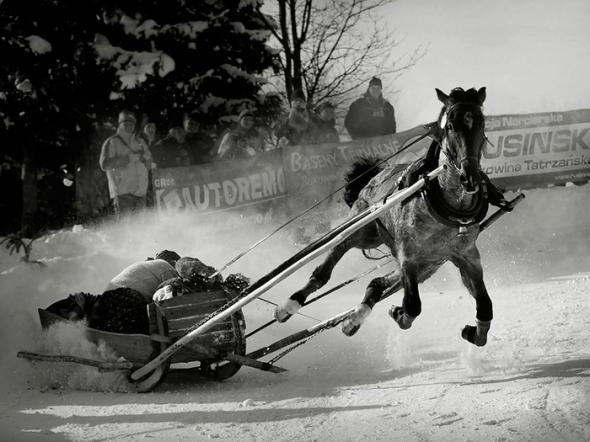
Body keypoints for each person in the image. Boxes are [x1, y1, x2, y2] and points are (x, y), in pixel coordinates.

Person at [99, 110, 152, 220]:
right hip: (123, 193)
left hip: (141, 193)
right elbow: (105, 164)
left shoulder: (140, 141)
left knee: (143, 226)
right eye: (125, 124)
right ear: (120, 124)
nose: (129, 126)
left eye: (131, 124)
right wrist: (127, 159)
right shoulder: (111, 142)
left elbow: (149, 162)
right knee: (125, 225)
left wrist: (145, 160)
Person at [104, 250, 181, 302]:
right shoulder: (165, 266)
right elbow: (175, 297)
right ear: (174, 262)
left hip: (107, 299)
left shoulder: (145, 266)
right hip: (127, 298)